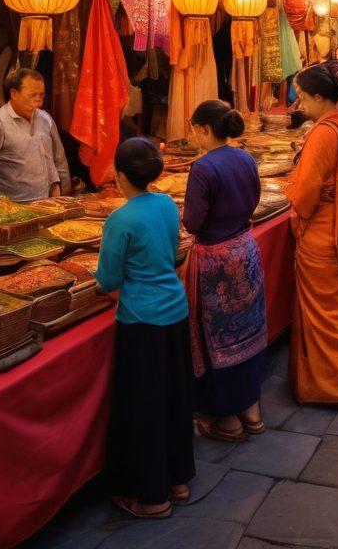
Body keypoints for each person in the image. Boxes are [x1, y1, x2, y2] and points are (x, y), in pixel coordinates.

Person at [95, 137, 194, 519]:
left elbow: (108, 279)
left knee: (145, 405)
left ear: (120, 176)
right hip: (175, 310)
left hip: (141, 320)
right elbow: (172, 251)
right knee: (174, 395)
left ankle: (153, 498)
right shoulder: (167, 204)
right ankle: (179, 481)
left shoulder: (120, 220)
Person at [183, 100, 267, 443]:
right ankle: (251, 411)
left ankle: (228, 420)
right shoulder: (244, 157)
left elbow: (192, 222)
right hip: (244, 250)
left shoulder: (203, 168)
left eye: (193, 130)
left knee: (216, 338)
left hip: (214, 262)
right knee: (246, 330)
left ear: (205, 129)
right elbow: (254, 199)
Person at [287, 61, 338, 405]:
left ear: (320, 97)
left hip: (323, 235)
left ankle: (325, 387)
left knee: (323, 317)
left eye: (303, 98)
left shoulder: (323, 132)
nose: (300, 104)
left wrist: (292, 190)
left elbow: (305, 193)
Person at [0, 68, 70, 201]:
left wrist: (65, 200)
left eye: (41, 95)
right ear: (14, 94)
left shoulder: (45, 119)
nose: (39, 101)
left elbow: (60, 162)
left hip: (47, 206)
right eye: (32, 95)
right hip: (9, 210)